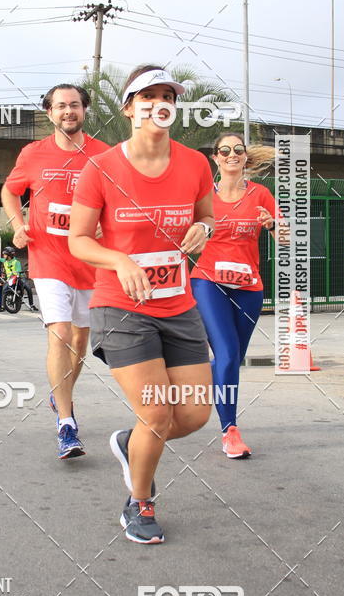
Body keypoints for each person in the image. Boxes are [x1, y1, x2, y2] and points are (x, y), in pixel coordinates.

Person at [69, 65, 215, 544]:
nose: (158, 102)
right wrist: (120, 260)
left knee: (193, 414)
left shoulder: (194, 163)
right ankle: (140, 501)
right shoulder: (101, 168)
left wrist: (204, 231)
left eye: (167, 95)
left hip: (178, 303)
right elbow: (78, 241)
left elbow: (207, 217)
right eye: (146, 95)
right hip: (121, 305)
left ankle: (129, 445)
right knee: (157, 412)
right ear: (129, 107)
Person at [1, 84, 109, 459]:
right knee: (60, 334)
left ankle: (59, 393)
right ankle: (67, 423)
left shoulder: (103, 155)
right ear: (49, 112)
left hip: (89, 262)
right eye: (61, 106)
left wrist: (104, 226)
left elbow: (117, 203)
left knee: (80, 342)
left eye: (75, 105)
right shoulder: (33, 154)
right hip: (47, 258)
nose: (68, 111)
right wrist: (18, 223)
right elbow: (10, 190)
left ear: (84, 111)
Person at [190, 133, 278, 458]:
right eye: (224, 150)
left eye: (237, 150)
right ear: (215, 158)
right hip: (208, 281)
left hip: (249, 288)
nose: (231, 154)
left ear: (244, 157)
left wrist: (271, 225)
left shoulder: (260, 194)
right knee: (227, 354)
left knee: (233, 359)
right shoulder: (203, 197)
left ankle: (212, 378)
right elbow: (176, 230)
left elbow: (285, 236)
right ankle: (230, 431)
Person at [0, 246, 37, 311]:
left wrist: (14, 273)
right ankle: (3, 305)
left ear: (9, 255)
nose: (3, 256)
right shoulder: (5, 261)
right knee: (4, 289)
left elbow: (18, 271)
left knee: (28, 288)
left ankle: (31, 305)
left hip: (20, 278)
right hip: (10, 279)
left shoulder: (16, 262)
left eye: (4, 254)